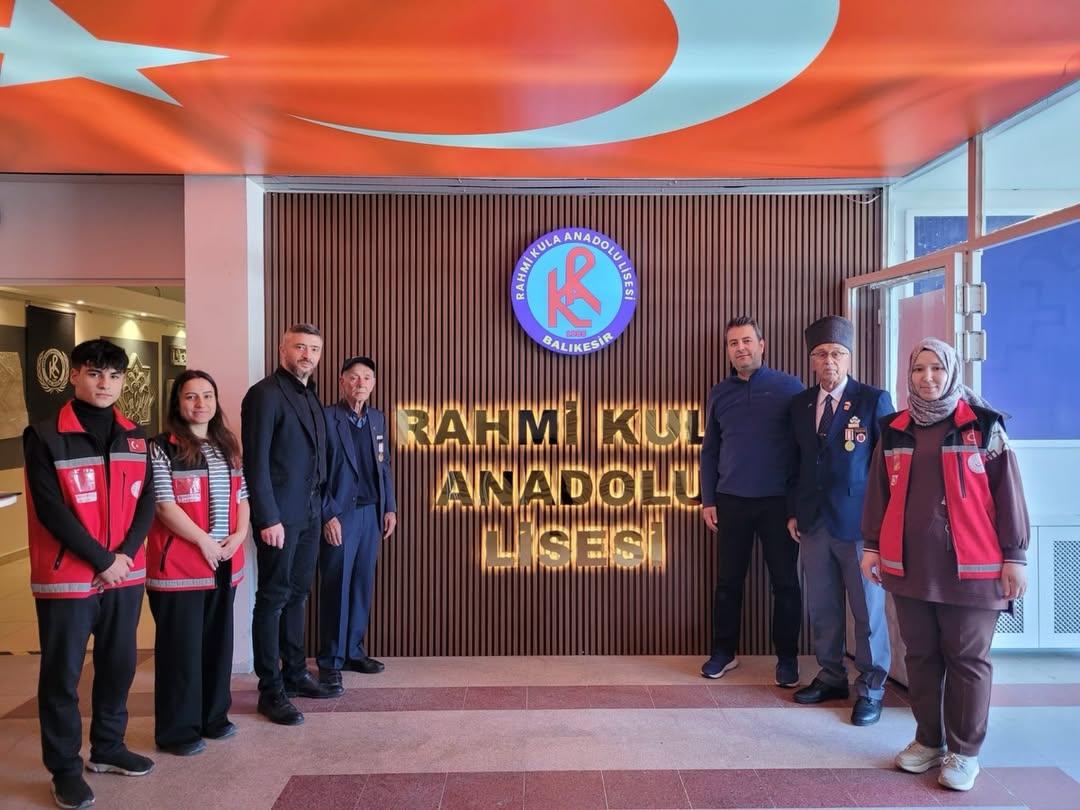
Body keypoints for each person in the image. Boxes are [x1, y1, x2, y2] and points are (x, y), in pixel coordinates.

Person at [860, 338, 1029, 792]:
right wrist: (872, 546)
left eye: (936, 368)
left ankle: (964, 751)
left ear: (951, 372)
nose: (927, 377)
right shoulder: (894, 428)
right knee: (920, 657)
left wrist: (1015, 556)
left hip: (974, 570)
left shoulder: (983, 426)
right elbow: (879, 493)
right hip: (910, 567)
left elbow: (1009, 494)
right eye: (919, 369)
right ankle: (928, 741)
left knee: (967, 659)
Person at [23, 339, 156, 810]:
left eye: (114, 375)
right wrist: (102, 560)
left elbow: (147, 500)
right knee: (62, 673)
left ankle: (108, 747)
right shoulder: (44, 435)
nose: (105, 383)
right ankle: (64, 768)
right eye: (95, 373)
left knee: (119, 664)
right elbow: (50, 510)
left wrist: (124, 556)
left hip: (125, 573)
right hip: (69, 575)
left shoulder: (136, 435)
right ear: (75, 375)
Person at [787, 316, 892, 726]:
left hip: (860, 526)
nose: (828, 361)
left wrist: (882, 525)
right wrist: (793, 511)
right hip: (813, 524)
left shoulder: (873, 400)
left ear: (849, 358)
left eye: (836, 353)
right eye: (820, 354)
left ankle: (872, 687)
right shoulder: (799, 404)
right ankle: (831, 675)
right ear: (811, 360)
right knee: (823, 607)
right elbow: (795, 463)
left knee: (867, 611)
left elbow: (888, 468)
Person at [242, 323, 342, 727]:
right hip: (279, 519)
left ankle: (296, 674)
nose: (307, 355)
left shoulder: (312, 396)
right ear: (283, 350)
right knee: (273, 598)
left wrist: (324, 510)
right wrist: (267, 517)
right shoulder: (264, 395)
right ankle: (270, 691)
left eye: (314, 349)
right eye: (300, 347)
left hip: (310, 514)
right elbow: (255, 462)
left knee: (299, 594)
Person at [146, 370, 250, 756]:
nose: (200, 403)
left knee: (217, 645)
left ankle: (214, 717)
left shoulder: (227, 445)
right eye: (191, 396)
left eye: (207, 396)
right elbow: (164, 505)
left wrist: (238, 535)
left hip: (224, 560)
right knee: (180, 651)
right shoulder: (161, 447)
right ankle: (178, 731)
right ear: (177, 402)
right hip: (180, 564)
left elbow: (242, 496)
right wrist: (203, 541)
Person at [699, 315, 805, 686]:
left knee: (786, 584)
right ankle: (724, 652)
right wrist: (708, 499)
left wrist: (797, 506)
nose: (740, 348)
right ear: (728, 351)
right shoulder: (719, 393)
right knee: (728, 583)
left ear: (762, 344)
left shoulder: (790, 387)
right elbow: (710, 450)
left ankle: (787, 659)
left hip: (778, 503)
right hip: (731, 501)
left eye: (746, 341)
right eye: (733, 343)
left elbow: (803, 449)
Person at [316, 356, 397, 689]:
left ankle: (353, 650)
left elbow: (384, 465)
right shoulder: (326, 418)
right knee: (336, 586)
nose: (360, 383)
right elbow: (315, 472)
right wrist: (327, 514)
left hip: (371, 513)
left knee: (362, 584)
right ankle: (330, 660)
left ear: (373, 384)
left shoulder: (377, 419)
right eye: (353, 377)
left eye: (366, 378)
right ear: (342, 382)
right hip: (340, 515)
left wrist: (389, 507)